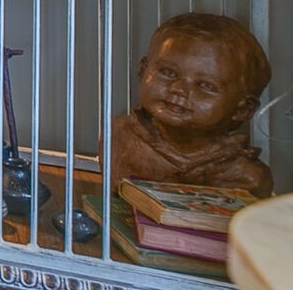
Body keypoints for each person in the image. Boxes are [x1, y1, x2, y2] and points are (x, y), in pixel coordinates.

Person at [109, 12, 272, 198]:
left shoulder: (246, 177)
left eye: (205, 85)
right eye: (168, 73)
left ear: (243, 108)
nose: (178, 89)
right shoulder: (119, 137)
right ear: (142, 70)